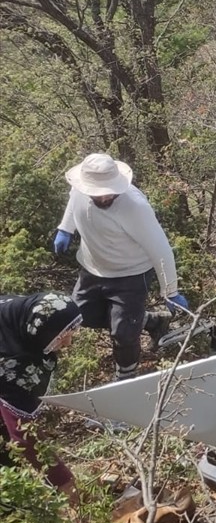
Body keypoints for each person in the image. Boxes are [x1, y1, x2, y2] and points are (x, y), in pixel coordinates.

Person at [54, 153, 188, 382]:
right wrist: (65, 228)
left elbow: (161, 249)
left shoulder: (134, 206)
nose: (105, 196)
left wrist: (171, 291)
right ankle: (152, 321)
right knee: (78, 315)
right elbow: (73, 202)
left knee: (123, 333)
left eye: (109, 190)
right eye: (98, 192)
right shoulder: (80, 189)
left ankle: (126, 377)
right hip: (92, 268)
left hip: (130, 274)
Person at [0, 292, 83, 504]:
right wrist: (64, 481)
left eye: (71, 332)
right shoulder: (10, 367)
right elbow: (25, 435)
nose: (68, 343)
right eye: (61, 336)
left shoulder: (16, 317)